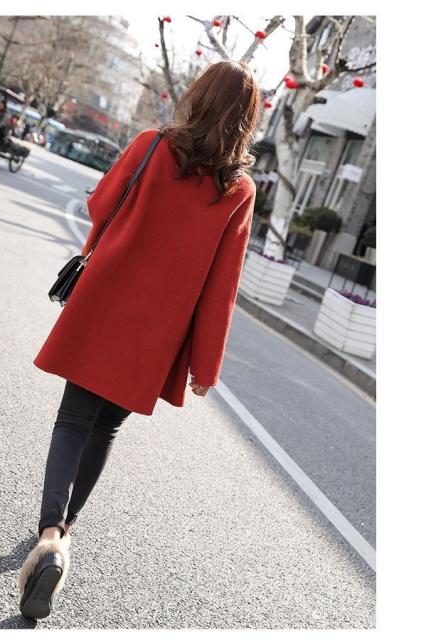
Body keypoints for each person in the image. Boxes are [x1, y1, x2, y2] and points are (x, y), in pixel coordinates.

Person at [17, 60, 260, 619]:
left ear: (197, 97)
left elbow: (101, 204)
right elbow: (223, 284)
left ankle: (50, 536)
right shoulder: (238, 189)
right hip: (160, 331)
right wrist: (206, 366)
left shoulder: (152, 145)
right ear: (247, 120)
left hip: (107, 299)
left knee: (73, 420)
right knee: (104, 428)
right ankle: (64, 534)